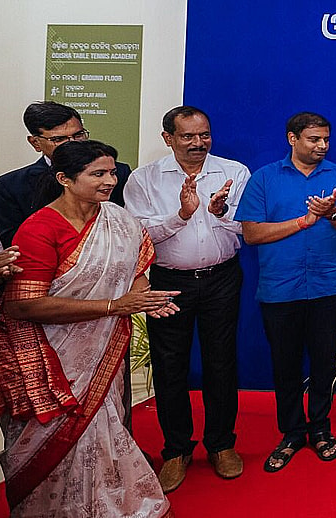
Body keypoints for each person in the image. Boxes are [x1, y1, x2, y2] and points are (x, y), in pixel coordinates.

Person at [0, 140, 178, 517]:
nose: (110, 180)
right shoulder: (39, 228)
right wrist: (114, 306)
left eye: (112, 172)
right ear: (64, 178)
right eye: (98, 174)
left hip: (102, 354)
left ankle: (113, 507)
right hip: (50, 360)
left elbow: (136, 269)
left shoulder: (119, 220)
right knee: (60, 440)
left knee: (107, 429)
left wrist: (141, 298)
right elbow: (22, 304)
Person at [123, 105, 250, 492]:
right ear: (168, 138)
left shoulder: (235, 172)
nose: (198, 143)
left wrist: (220, 211)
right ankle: (176, 450)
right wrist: (181, 214)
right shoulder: (144, 180)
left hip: (222, 278)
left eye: (204, 135)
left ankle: (221, 445)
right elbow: (139, 236)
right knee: (169, 364)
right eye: (188, 136)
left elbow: (250, 226)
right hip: (168, 282)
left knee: (221, 362)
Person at [236, 111, 336, 473]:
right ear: (292, 138)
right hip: (280, 288)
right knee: (286, 364)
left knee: (324, 362)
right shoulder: (264, 178)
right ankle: (292, 433)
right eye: (313, 139)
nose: (322, 146)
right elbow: (252, 235)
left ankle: (321, 430)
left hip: (328, 286)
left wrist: (333, 214)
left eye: (326, 139)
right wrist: (303, 221)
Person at [0, 102, 133, 248]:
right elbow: (15, 246)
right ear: (35, 143)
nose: (72, 144)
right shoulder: (9, 186)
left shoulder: (120, 173)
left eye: (78, 135)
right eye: (58, 139)